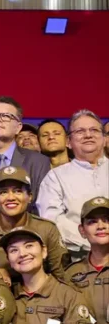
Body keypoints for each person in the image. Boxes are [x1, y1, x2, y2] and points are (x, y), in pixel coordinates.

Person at [37, 109, 109, 262]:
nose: (88, 135)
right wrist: (93, 242)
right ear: (68, 142)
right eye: (80, 131)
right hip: (79, 261)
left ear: (104, 139)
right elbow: (52, 220)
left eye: (94, 130)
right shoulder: (55, 177)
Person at [0, 166, 70, 282]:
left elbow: (61, 276)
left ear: (30, 197)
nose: (11, 197)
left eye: (18, 191)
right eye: (3, 192)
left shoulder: (46, 229)